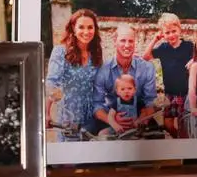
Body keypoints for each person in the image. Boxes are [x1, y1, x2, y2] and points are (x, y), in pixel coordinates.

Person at [45, 9, 102, 140]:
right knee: (70, 159)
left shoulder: (96, 54)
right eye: (81, 27)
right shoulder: (60, 52)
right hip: (68, 120)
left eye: (90, 27)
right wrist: (47, 113)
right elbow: (52, 83)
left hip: (91, 119)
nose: (86, 32)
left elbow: (99, 86)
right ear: (73, 29)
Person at [94, 25, 158, 134]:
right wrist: (113, 121)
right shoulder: (103, 70)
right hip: (111, 119)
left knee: (156, 138)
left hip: (140, 120)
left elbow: (150, 102)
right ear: (115, 41)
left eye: (131, 41)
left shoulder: (147, 68)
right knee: (99, 136)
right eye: (123, 41)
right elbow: (97, 104)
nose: (127, 45)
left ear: (135, 43)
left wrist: (141, 121)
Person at [143, 13, 194, 137]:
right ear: (163, 34)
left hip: (184, 92)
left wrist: (193, 60)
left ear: (179, 29)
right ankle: (177, 138)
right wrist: (155, 39)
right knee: (167, 123)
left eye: (174, 31)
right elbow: (145, 56)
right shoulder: (163, 48)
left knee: (183, 122)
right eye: (167, 33)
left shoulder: (188, 46)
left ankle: (184, 140)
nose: (171, 35)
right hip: (169, 93)